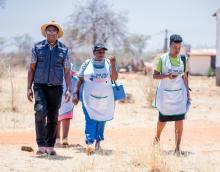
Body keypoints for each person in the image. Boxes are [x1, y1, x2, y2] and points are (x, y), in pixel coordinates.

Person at [27, 20, 71, 155]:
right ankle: (41, 144)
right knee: (40, 111)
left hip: (57, 87)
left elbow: (67, 70)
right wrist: (28, 87)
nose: (51, 32)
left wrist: (68, 88)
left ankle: (50, 146)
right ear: (45, 32)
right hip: (40, 85)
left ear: (58, 33)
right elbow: (32, 68)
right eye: (49, 30)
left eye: (54, 30)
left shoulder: (64, 49)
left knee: (53, 115)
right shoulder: (37, 47)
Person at [72, 43, 118, 155]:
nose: (101, 54)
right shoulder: (87, 63)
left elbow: (115, 78)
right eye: (99, 51)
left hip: (105, 98)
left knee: (102, 120)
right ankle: (89, 143)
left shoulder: (108, 63)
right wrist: (75, 92)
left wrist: (113, 64)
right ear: (94, 53)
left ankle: (98, 142)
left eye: (103, 52)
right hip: (89, 98)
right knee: (90, 119)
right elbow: (80, 79)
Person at [153, 34, 190, 154]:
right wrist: (167, 76)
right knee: (162, 121)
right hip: (165, 96)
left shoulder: (184, 59)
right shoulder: (162, 59)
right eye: (175, 47)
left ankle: (177, 147)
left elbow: (185, 77)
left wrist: (188, 94)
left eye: (179, 47)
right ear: (170, 46)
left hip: (179, 95)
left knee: (179, 120)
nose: (177, 50)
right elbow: (155, 76)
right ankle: (157, 138)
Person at [56, 64, 77, 146]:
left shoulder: (71, 65)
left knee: (66, 117)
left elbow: (75, 78)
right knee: (56, 117)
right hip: (55, 93)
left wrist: (75, 92)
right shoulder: (54, 63)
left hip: (68, 94)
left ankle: (65, 138)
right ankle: (56, 138)